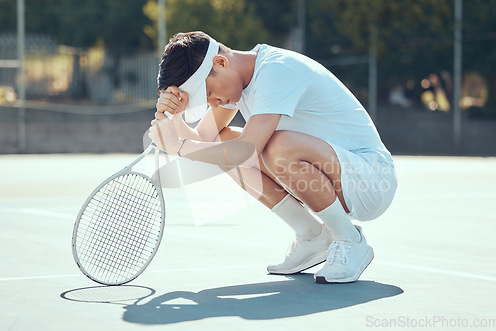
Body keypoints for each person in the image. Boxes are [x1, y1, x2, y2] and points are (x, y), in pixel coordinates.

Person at [149, 31, 397, 283]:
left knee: (275, 145)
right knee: (224, 144)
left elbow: (245, 151)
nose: (212, 103)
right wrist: (175, 119)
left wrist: (178, 146)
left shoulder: (276, 71)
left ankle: (350, 240)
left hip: (371, 180)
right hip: (340, 175)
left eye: (209, 94)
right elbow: (205, 140)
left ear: (221, 63)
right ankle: (311, 235)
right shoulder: (238, 80)